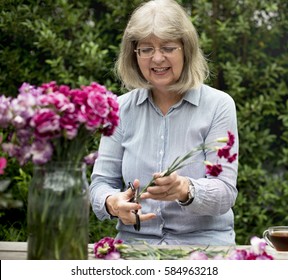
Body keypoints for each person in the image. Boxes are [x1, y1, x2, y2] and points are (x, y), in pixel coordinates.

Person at [89, 0, 239, 246]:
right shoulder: (119, 108)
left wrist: (186, 190)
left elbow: (225, 191)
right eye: (146, 49)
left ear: (186, 49)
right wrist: (112, 203)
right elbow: (100, 183)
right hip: (134, 246)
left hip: (203, 247)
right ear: (134, 54)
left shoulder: (218, 106)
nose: (157, 58)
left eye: (168, 47)